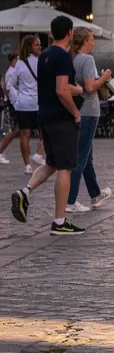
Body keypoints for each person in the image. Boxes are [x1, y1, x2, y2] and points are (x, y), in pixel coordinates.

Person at [10, 16, 85, 236]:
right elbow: (61, 90)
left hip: (45, 115)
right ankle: (60, 221)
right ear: (70, 33)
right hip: (62, 119)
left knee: (52, 162)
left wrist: (77, 89)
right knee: (66, 167)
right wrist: (76, 111)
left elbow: (57, 86)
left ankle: (25, 191)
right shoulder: (62, 56)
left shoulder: (43, 55)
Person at [66, 27, 114, 215]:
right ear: (85, 41)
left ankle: (95, 194)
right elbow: (90, 86)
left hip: (76, 109)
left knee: (87, 154)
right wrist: (105, 77)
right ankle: (70, 199)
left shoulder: (71, 59)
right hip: (89, 110)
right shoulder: (87, 59)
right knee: (81, 154)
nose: (94, 43)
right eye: (92, 39)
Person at [8, 35, 46, 173]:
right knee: (45, 131)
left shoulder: (19, 64)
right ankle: (38, 154)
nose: (40, 47)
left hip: (22, 104)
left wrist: (17, 97)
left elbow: (9, 84)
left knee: (26, 134)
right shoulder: (41, 61)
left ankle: (28, 165)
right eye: (37, 45)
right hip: (37, 103)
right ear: (29, 46)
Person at [0, 53, 20, 164]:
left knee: (19, 129)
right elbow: (8, 89)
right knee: (15, 129)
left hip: (16, 103)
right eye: (16, 59)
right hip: (15, 104)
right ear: (12, 60)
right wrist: (13, 100)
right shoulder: (11, 73)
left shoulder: (13, 72)